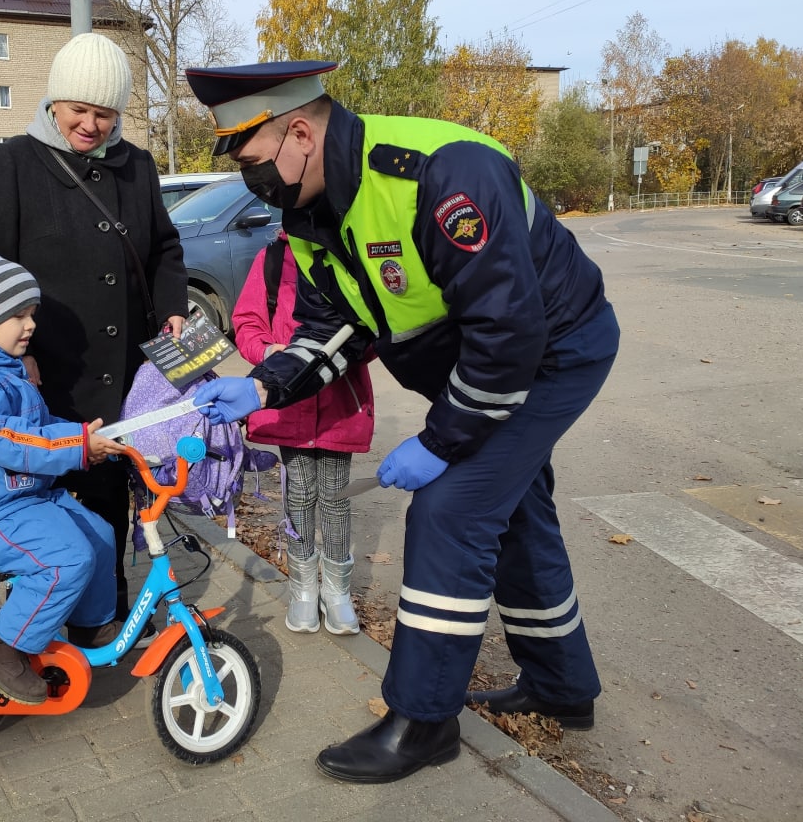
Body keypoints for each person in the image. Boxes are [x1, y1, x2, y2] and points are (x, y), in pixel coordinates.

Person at [185, 61, 620, 784]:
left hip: (550, 352)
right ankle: (561, 686)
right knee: (513, 510)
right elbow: (336, 326)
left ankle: (424, 720)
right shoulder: (312, 214)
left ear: (299, 132)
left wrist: (442, 440)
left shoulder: (442, 176)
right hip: (483, 360)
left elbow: (509, 334)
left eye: (253, 161)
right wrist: (261, 388)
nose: (251, 181)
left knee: (451, 510)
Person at [0, 32, 188, 634]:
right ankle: (31, 623)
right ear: (54, 102)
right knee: (47, 498)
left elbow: (165, 248)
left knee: (111, 493)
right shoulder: (13, 162)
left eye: (104, 113)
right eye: (79, 110)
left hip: (122, 370)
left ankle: (101, 618)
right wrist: (16, 357)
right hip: (45, 369)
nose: (90, 125)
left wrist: (172, 307)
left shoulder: (136, 165)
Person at [0, 250, 126, 704]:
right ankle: (1, 648)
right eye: (18, 315)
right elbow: (4, 440)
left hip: (25, 497)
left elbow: (36, 428)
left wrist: (85, 439)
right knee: (65, 559)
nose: (30, 325)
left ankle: (91, 626)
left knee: (100, 534)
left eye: (31, 313)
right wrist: (76, 448)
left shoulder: (4, 370)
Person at [231, 228, 375, 635]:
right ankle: (303, 590)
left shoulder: (348, 255)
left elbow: (373, 326)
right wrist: (267, 351)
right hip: (289, 402)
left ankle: (337, 592)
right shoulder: (274, 258)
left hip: (339, 402)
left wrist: (351, 349)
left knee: (335, 495)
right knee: (299, 491)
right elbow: (246, 321)